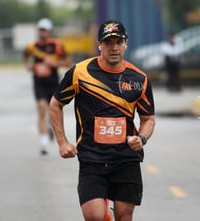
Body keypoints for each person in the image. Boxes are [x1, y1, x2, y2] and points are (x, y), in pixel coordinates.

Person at [49, 20, 155, 221]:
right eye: (108, 42)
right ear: (99, 45)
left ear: (126, 43)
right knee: (94, 216)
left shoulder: (139, 78)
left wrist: (141, 138)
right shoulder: (79, 72)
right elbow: (55, 104)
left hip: (126, 158)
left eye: (118, 41)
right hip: (92, 157)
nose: (113, 47)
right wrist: (62, 142)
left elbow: (148, 118)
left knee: (125, 216)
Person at [23, 18, 72, 155]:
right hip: (39, 82)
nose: (42, 32)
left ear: (49, 31)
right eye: (40, 29)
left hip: (53, 82)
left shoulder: (56, 45)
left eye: (44, 30)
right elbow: (26, 57)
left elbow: (68, 62)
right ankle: (43, 144)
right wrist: (30, 66)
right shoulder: (32, 46)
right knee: (41, 109)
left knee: (53, 110)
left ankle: (50, 126)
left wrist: (56, 63)